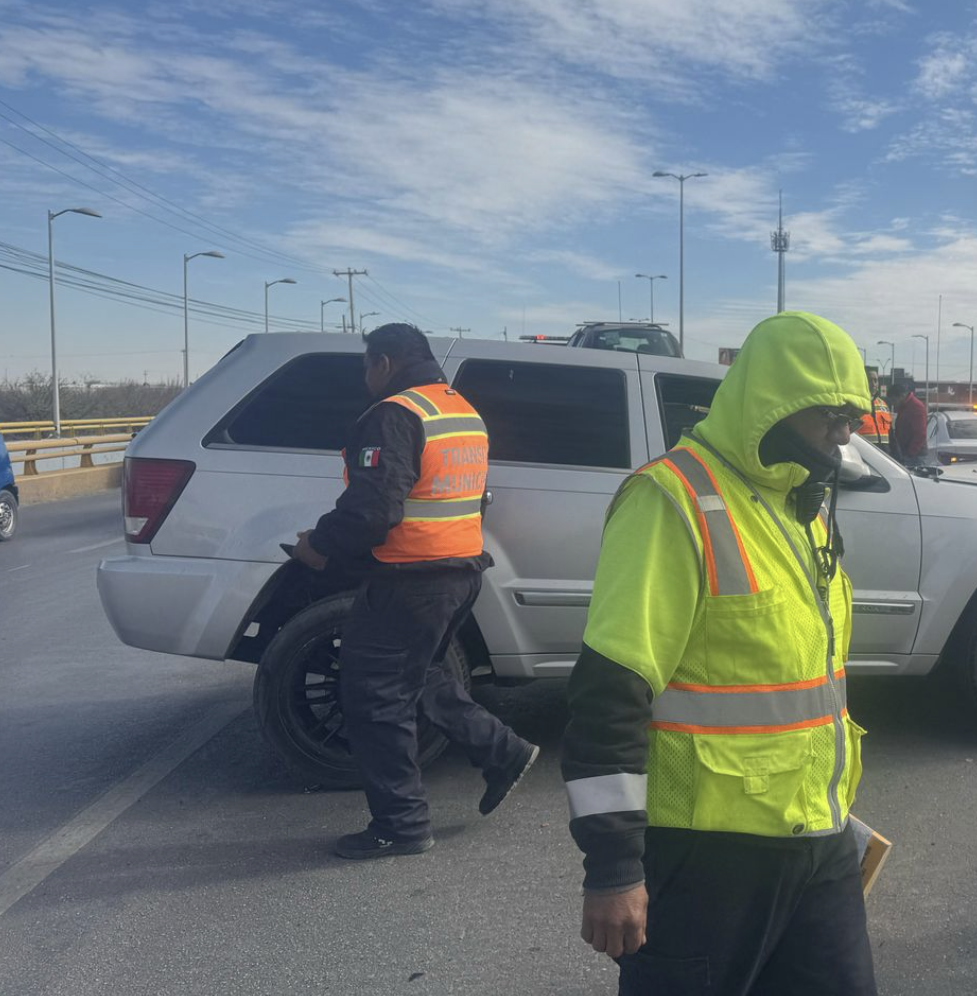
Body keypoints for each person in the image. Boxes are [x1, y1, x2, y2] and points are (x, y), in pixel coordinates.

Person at [561, 311, 877, 995]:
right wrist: (614, 866)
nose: (844, 430)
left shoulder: (800, 503)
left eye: (852, 413)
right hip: (707, 856)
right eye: (829, 412)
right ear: (774, 403)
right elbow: (608, 693)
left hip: (817, 836)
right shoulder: (670, 500)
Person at [291, 323, 538, 860]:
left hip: (412, 577)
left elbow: (375, 510)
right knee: (417, 675)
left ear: (383, 362)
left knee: (375, 696)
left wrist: (321, 546)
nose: (365, 377)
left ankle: (400, 825)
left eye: (366, 366)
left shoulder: (396, 414)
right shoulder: (459, 410)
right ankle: (503, 751)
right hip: (459, 572)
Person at [889, 376, 927, 465]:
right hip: (907, 454)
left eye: (894, 400)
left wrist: (910, 454)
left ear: (901, 396)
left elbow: (920, 434)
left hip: (916, 456)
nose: (893, 404)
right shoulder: (904, 407)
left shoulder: (916, 407)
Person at [856, 370, 893, 448]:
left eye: (875, 380)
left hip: (885, 452)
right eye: (869, 380)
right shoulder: (856, 404)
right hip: (864, 451)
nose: (873, 384)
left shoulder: (883, 404)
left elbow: (891, 433)